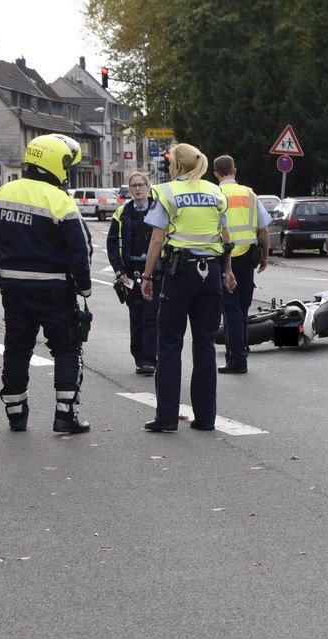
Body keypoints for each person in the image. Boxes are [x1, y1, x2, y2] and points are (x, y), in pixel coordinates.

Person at [0, 134, 93, 433]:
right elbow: (80, 249)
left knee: (17, 349)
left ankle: (16, 415)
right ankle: (65, 416)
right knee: (67, 350)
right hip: (55, 290)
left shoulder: (3, 193)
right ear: (55, 161)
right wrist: (84, 286)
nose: (68, 169)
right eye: (67, 163)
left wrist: (0, 274)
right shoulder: (58, 199)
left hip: (14, 290)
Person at [140, 143, 236, 432]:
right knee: (205, 345)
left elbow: (157, 239)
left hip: (180, 273)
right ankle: (205, 419)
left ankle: (167, 418)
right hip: (212, 271)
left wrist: (146, 277)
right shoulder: (215, 192)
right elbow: (225, 235)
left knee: (169, 344)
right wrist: (228, 270)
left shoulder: (167, 191)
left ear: (177, 166)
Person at [212, 155, 272, 374]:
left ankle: (237, 360)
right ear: (234, 171)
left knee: (230, 309)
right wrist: (265, 256)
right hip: (247, 257)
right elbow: (263, 230)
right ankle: (237, 353)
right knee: (242, 308)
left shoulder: (215, 194)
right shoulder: (249, 193)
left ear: (216, 174)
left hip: (224, 258)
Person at [106, 170, 159, 376]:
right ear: (129, 189)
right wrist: (120, 272)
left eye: (140, 185)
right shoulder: (122, 213)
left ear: (148, 187)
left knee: (150, 316)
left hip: (153, 273)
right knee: (136, 318)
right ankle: (139, 358)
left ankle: (149, 360)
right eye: (133, 186)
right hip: (130, 273)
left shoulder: (158, 210)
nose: (137, 189)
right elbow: (112, 244)